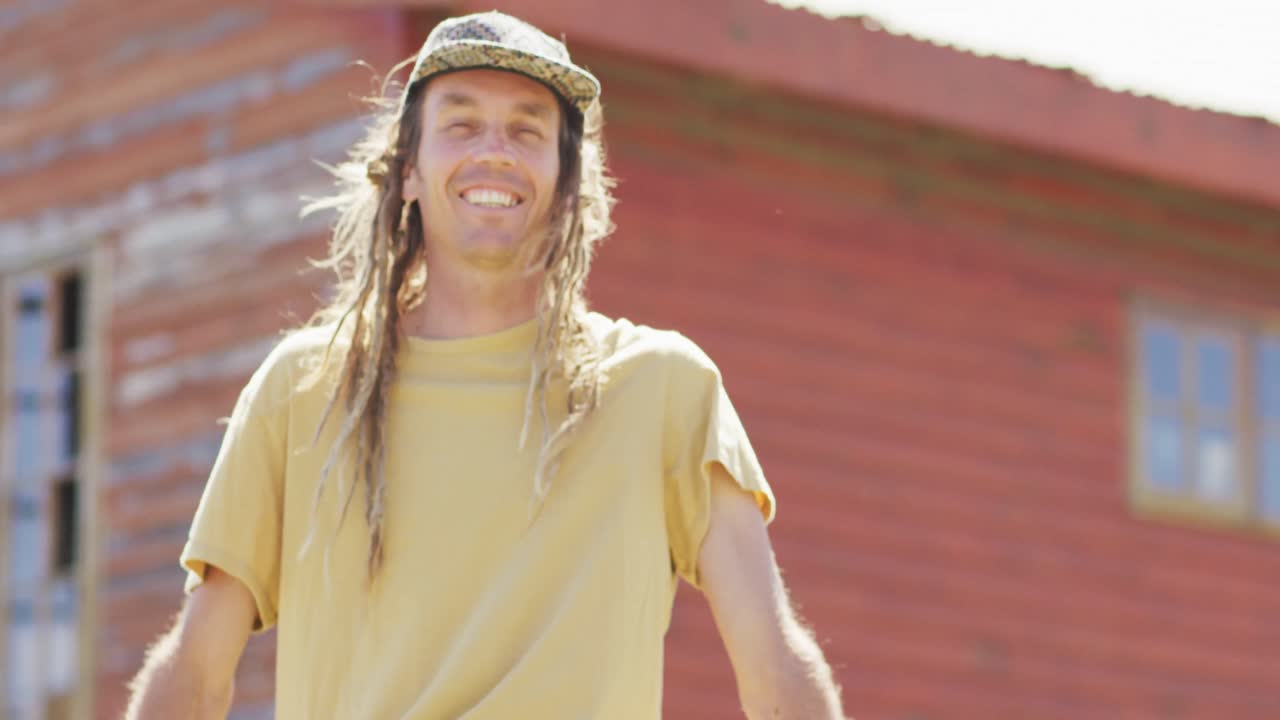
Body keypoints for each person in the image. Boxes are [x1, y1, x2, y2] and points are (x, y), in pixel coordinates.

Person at [124, 11, 846, 719]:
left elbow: (775, 673)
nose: (494, 151)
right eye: (462, 124)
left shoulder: (664, 389)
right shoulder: (304, 389)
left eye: (528, 129)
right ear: (409, 171)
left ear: (568, 182)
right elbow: (194, 677)